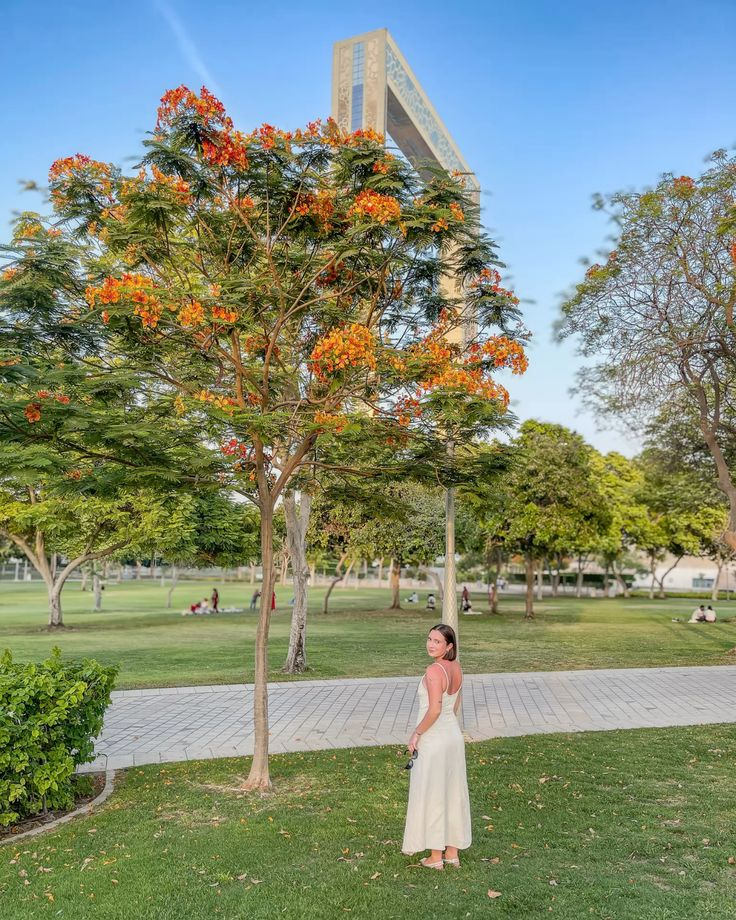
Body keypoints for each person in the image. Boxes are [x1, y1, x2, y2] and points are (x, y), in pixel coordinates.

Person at [402, 624, 471, 869]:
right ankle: (452, 852)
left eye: (438, 641)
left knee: (433, 793)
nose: (431, 644)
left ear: (449, 646)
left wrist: (416, 734)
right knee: (451, 791)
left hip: (434, 738)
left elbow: (434, 710)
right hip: (452, 736)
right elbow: (453, 708)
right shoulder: (457, 668)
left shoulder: (434, 670)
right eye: (429, 639)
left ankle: (435, 856)